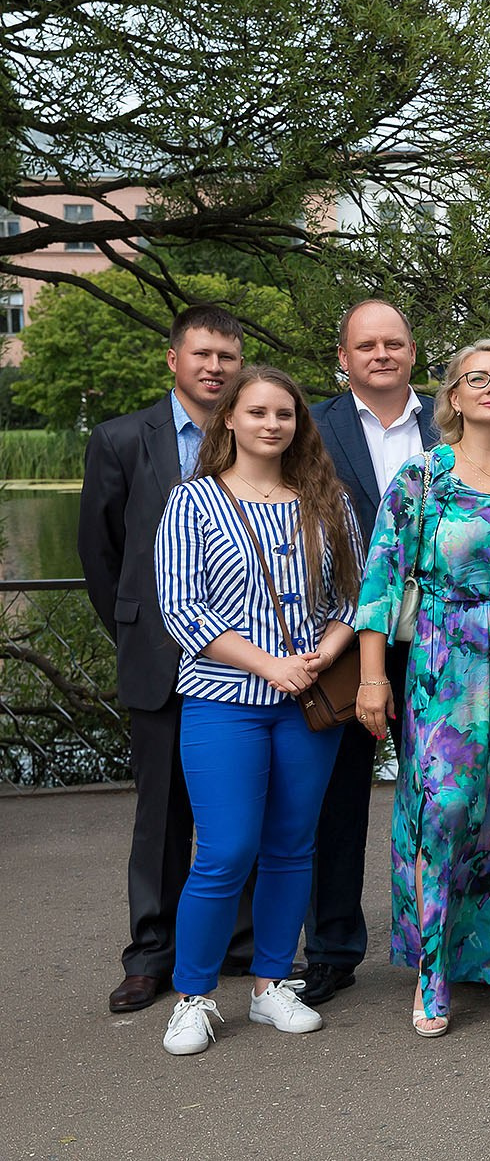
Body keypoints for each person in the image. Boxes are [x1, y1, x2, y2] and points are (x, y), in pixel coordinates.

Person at [153, 367, 363, 1055]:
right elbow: (183, 607)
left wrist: (324, 653)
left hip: (307, 704)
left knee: (292, 846)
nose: (273, 424)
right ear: (230, 420)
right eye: (258, 412)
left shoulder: (327, 499)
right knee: (225, 849)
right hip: (223, 702)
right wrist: (270, 664)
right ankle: (193, 996)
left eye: (285, 414)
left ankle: (272, 984)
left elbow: (354, 596)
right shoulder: (193, 501)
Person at [355, 339, 490, 1036]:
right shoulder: (423, 476)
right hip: (448, 664)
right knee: (444, 811)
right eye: (477, 378)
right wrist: (372, 676)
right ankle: (432, 967)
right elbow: (381, 580)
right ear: (455, 397)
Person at [80, 304, 249, 1015]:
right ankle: (151, 955)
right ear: (174, 359)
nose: (214, 367)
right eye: (202, 354)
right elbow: (100, 553)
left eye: (227, 357)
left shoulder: (257, 433)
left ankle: (238, 943)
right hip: (159, 654)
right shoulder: (121, 439)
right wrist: (138, 632)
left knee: (241, 803)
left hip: (244, 660)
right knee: (161, 813)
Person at [298, 298, 438, 1008]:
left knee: (447, 799)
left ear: (413, 350)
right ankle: (331, 949)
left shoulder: (455, 416)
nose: (381, 355)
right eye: (366, 345)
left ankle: (451, 944)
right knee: (338, 798)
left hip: (446, 637)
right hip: (348, 638)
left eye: (393, 343)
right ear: (344, 357)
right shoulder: (311, 426)